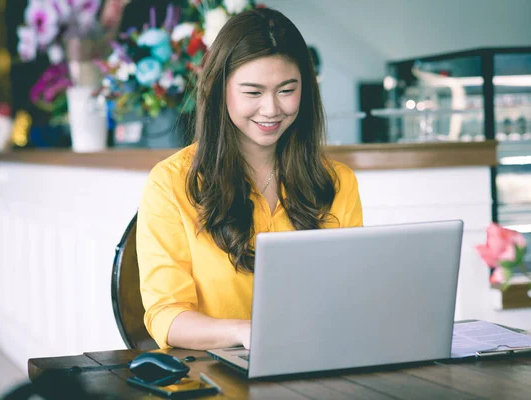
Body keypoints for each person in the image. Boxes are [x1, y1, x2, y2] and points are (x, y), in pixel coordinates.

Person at [136, 7, 363, 351]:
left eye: (287, 90)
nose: (271, 109)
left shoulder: (337, 182)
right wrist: (243, 332)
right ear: (219, 90)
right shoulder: (170, 183)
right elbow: (166, 316)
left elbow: (350, 297)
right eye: (253, 92)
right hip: (215, 371)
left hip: (316, 361)